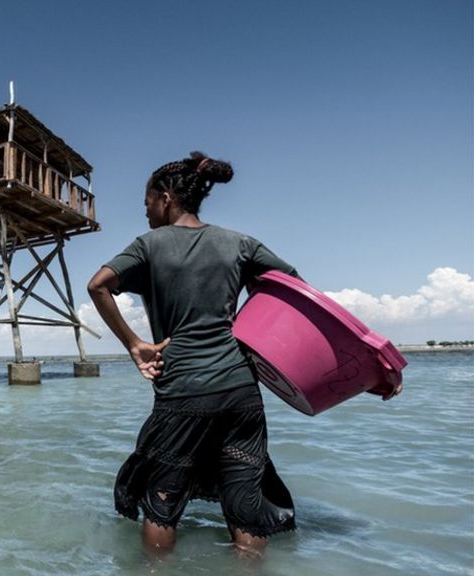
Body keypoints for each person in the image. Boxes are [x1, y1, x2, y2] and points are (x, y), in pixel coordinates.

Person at [86, 151, 405, 557]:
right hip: (241, 395)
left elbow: (98, 285)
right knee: (245, 506)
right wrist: (365, 372)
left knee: (161, 506)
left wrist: (134, 344)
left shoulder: (149, 245)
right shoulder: (240, 243)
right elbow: (300, 297)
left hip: (183, 392)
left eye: (147, 202)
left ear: (166, 198)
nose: (145, 211)